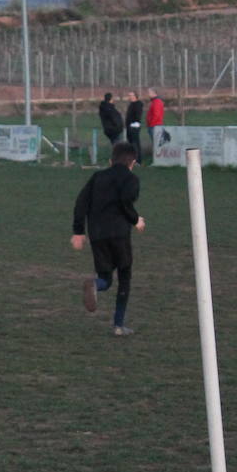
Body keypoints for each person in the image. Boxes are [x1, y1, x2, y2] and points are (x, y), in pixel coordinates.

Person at [71, 141, 145, 336]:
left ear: (111, 161)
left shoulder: (97, 177)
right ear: (132, 162)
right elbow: (125, 201)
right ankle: (118, 325)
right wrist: (136, 219)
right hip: (119, 234)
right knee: (124, 277)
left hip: (97, 235)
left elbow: (81, 203)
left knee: (105, 277)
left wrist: (78, 231)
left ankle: (96, 285)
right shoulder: (131, 179)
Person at [145, 88, 166, 160]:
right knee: (157, 143)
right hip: (154, 125)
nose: (148, 94)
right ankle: (158, 159)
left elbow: (156, 115)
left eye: (149, 93)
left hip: (155, 126)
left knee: (157, 144)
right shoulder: (155, 101)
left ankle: (158, 159)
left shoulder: (156, 102)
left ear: (154, 93)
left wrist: (151, 124)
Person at [124, 92, 144, 163]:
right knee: (131, 144)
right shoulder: (131, 104)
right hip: (129, 126)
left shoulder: (138, 104)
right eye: (129, 95)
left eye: (131, 95)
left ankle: (138, 160)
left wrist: (132, 122)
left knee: (135, 144)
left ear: (135, 96)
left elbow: (137, 116)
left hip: (134, 126)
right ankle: (132, 159)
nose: (129, 97)